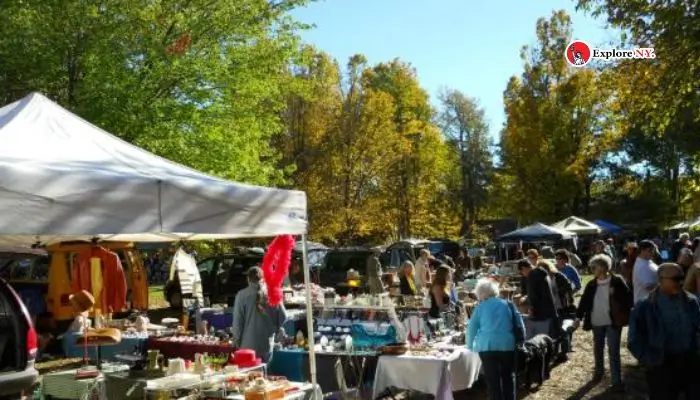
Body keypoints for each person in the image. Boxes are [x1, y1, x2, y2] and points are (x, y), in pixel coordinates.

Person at [627, 263, 700, 399]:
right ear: (660, 280)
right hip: (661, 365)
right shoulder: (645, 306)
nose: (680, 282)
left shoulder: (691, 301)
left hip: (690, 363)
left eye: (681, 278)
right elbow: (634, 340)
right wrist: (651, 361)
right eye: (676, 279)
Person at [575, 254, 632, 392]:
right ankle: (598, 373)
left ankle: (616, 381)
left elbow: (628, 300)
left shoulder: (617, 281)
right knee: (598, 348)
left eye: (594, 267)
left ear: (602, 268)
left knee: (614, 351)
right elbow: (584, 302)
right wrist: (578, 317)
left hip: (613, 322)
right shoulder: (592, 284)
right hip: (596, 322)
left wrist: (617, 300)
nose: (592, 270)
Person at [466, 278, 524, 400]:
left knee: (492, 381)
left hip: (486, 346)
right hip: (507, 344)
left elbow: (471, 328)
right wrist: (521, 341)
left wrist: (470, 346)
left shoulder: (480, 307)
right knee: (508, 377)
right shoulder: (507, 304)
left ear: (479, 293)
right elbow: (519, 323)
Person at [231, 267, 287, 363]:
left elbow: (237, 323)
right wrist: (274, 329)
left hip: (247, 346)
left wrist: (236, 342)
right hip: (266, 344)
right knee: (263, 375)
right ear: (263, 278)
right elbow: (283, 316)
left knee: (249, 376)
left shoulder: (241, 295)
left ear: (248, 279)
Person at [518, 259, 558, 338]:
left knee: (540, 339)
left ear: (523, 268)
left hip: (540, 314)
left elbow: (533, 296)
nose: (523, 275)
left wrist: (530, 309)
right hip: (549, 312)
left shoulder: (532, 275)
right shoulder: (542, 273)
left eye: (521, 272)